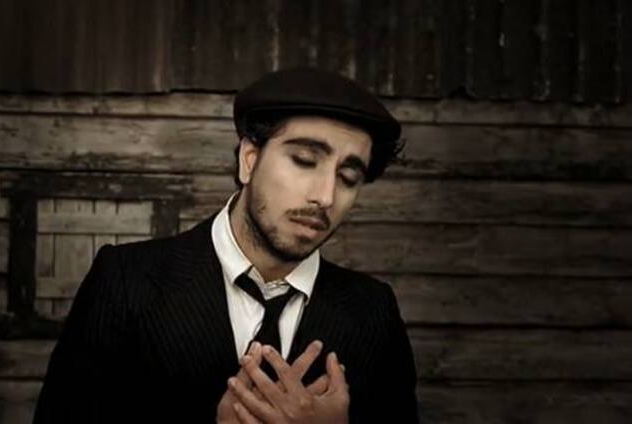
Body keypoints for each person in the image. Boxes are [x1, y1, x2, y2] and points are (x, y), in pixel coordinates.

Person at [33, 67, 418, 423]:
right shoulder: (126, 280)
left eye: (348, 177)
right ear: (249, 159)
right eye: (304, 160)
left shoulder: (373, 311)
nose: (326, 195)